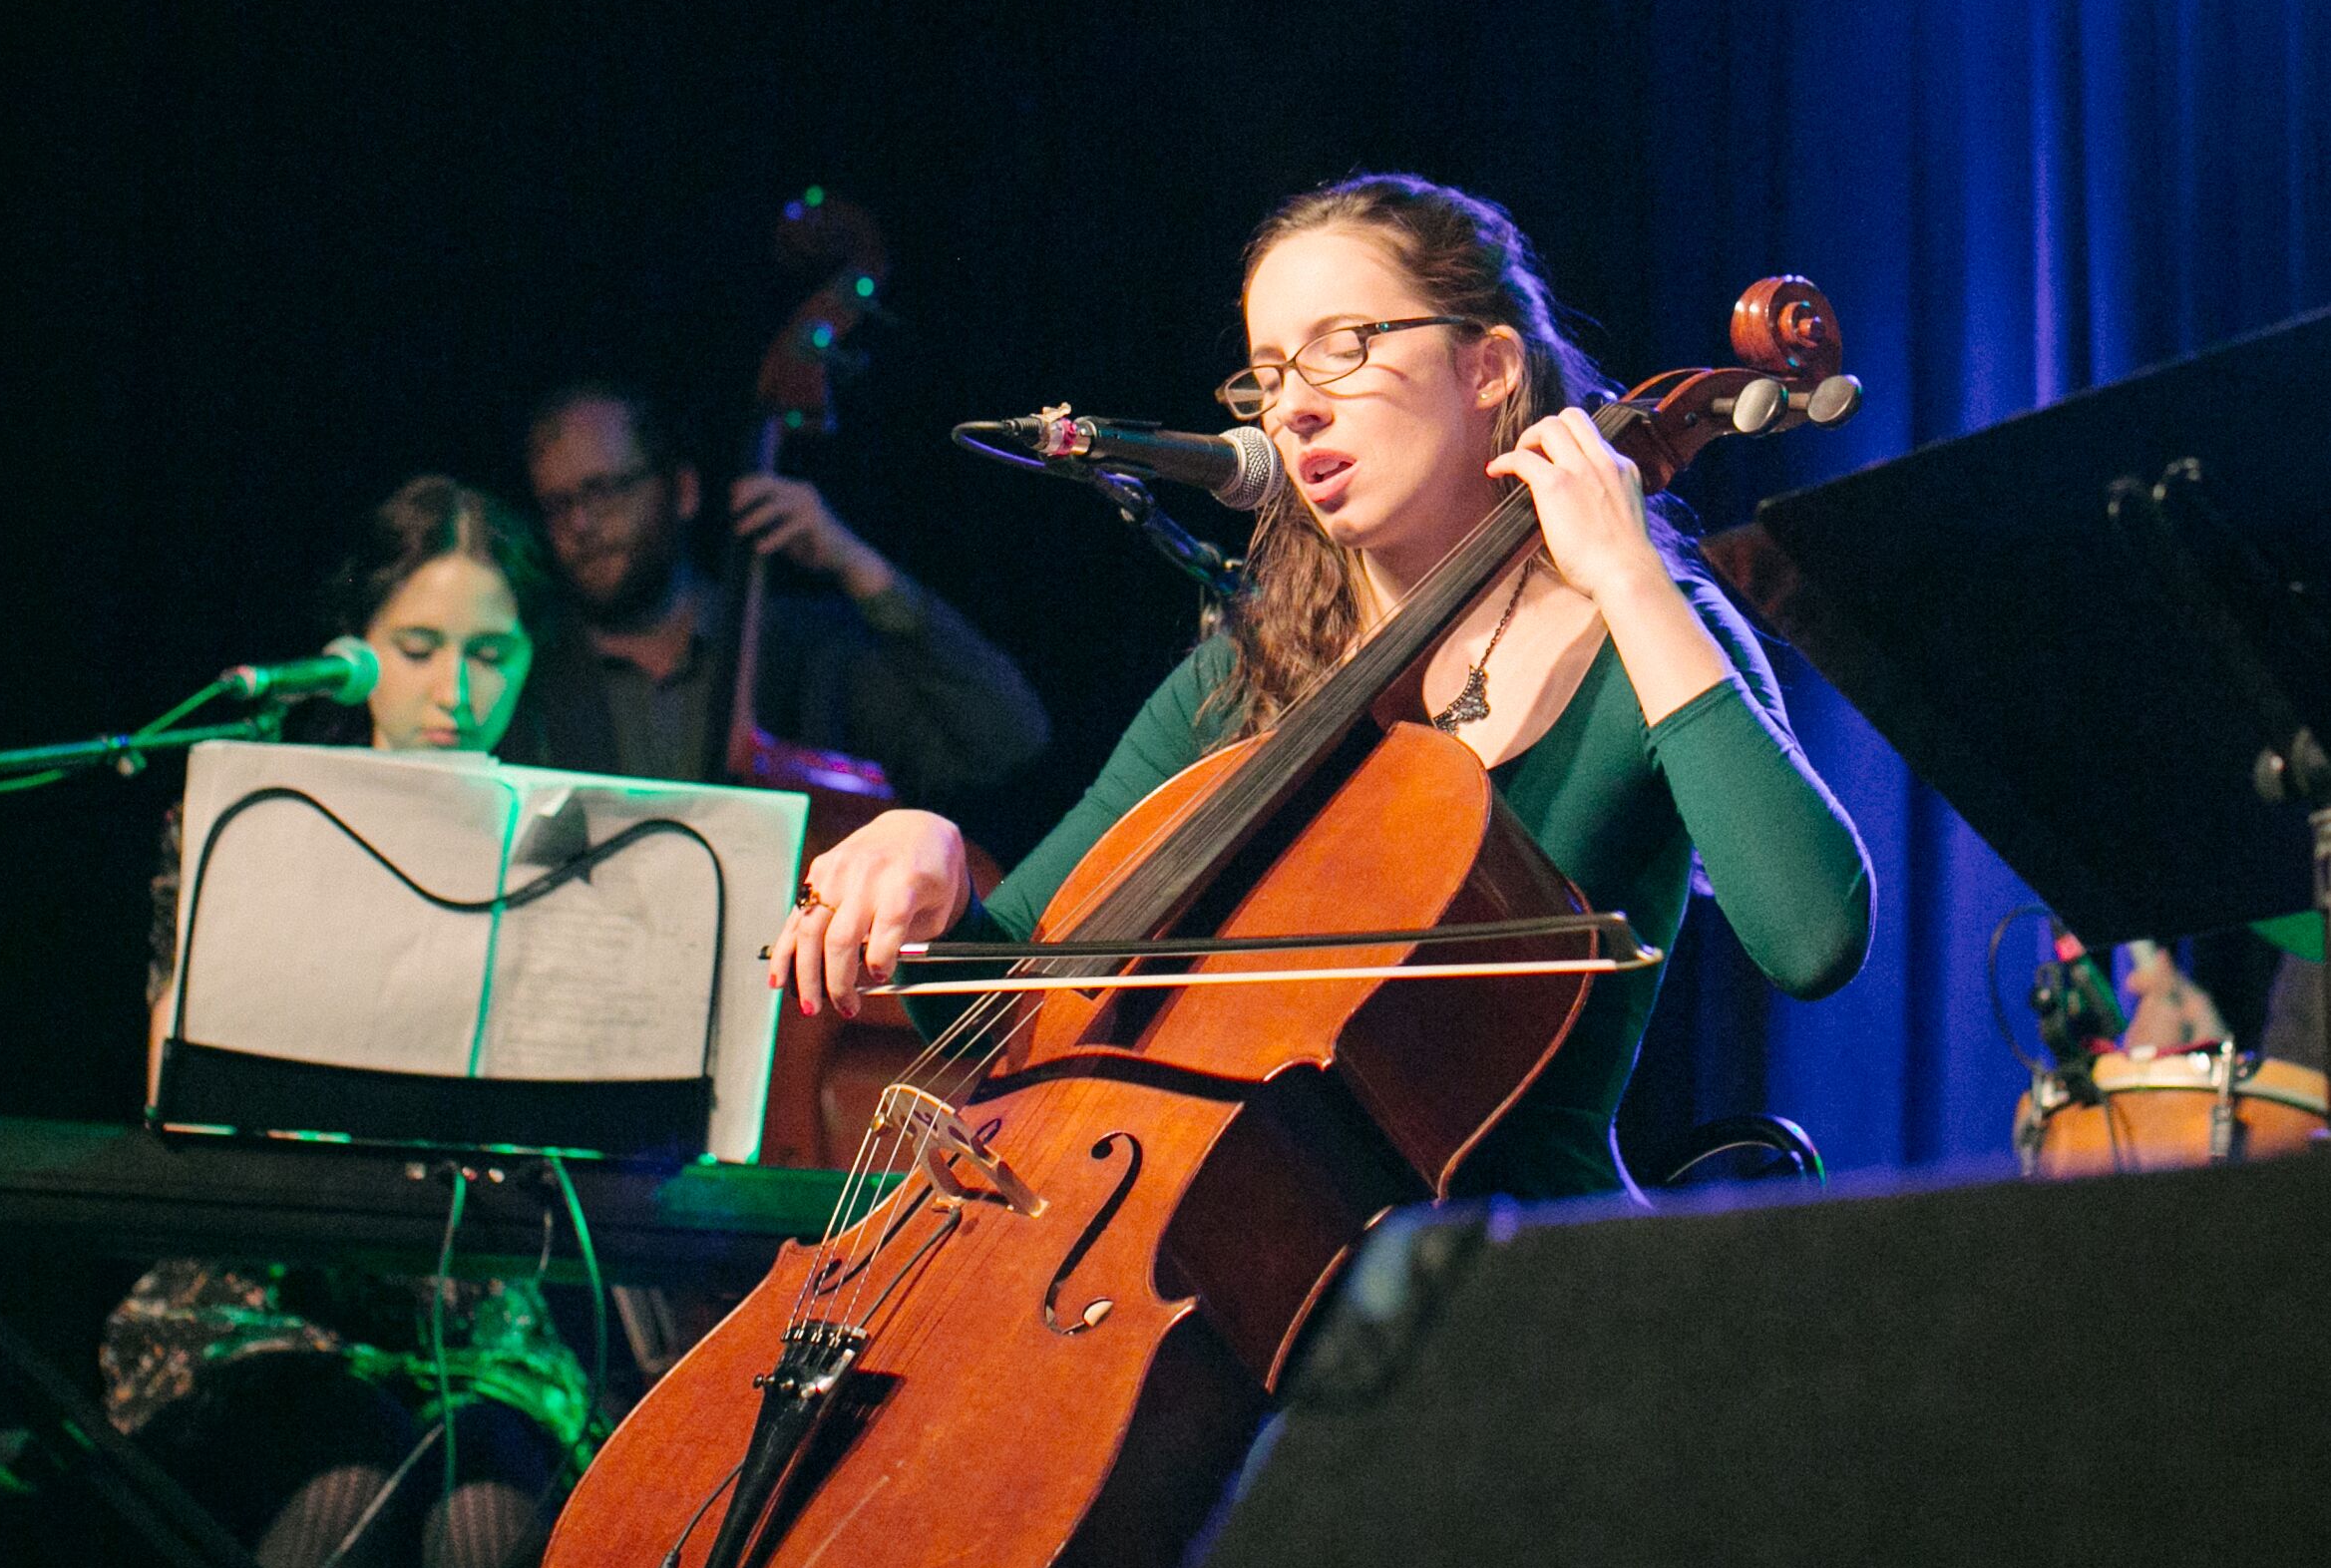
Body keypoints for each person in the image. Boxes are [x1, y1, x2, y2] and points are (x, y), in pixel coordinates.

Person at [767, 174, 1874, 1200]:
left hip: (1523, 1291)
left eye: (1344, 347)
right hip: (1236, 1283)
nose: (1293, 408)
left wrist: (1630, 575)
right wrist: (933, 861)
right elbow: (1001, 1003)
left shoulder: (1649, 629)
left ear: (1487, 367)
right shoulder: (1246, 671)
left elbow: (1812, 936)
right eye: (1272, 371)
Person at [121, 476, 587, 1568]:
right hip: (266, 1301)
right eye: (418, 648)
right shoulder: (256, 821)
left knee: (487, 1520)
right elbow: (171, 1093)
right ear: (357, 646)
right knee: (346, 1483)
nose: (455, 692)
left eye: (490, 654)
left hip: (474, 1319)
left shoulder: (571, 846)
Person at [519, 383, 1048, 803]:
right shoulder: (526, 676)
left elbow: (1007, 738)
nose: (581, 523)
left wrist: (857, 564)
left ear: (682, 490)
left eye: (602, 489)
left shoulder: (809, 652)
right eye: (557, 504)